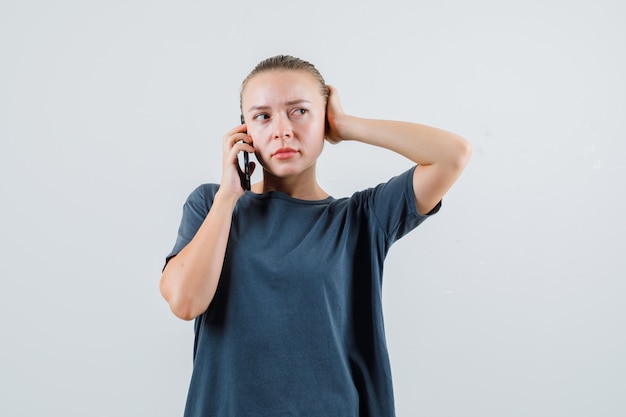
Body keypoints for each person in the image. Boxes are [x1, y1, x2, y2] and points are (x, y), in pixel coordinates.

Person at [160, 54, 471, 417]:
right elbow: (184, 302)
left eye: (299, 111)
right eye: (262, 116)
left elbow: (452, 154)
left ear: (324, 117)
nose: (282, 130)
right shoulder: (212, 204)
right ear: (243, 131)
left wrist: (347, 125)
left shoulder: (361, 218)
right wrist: (229, 195)